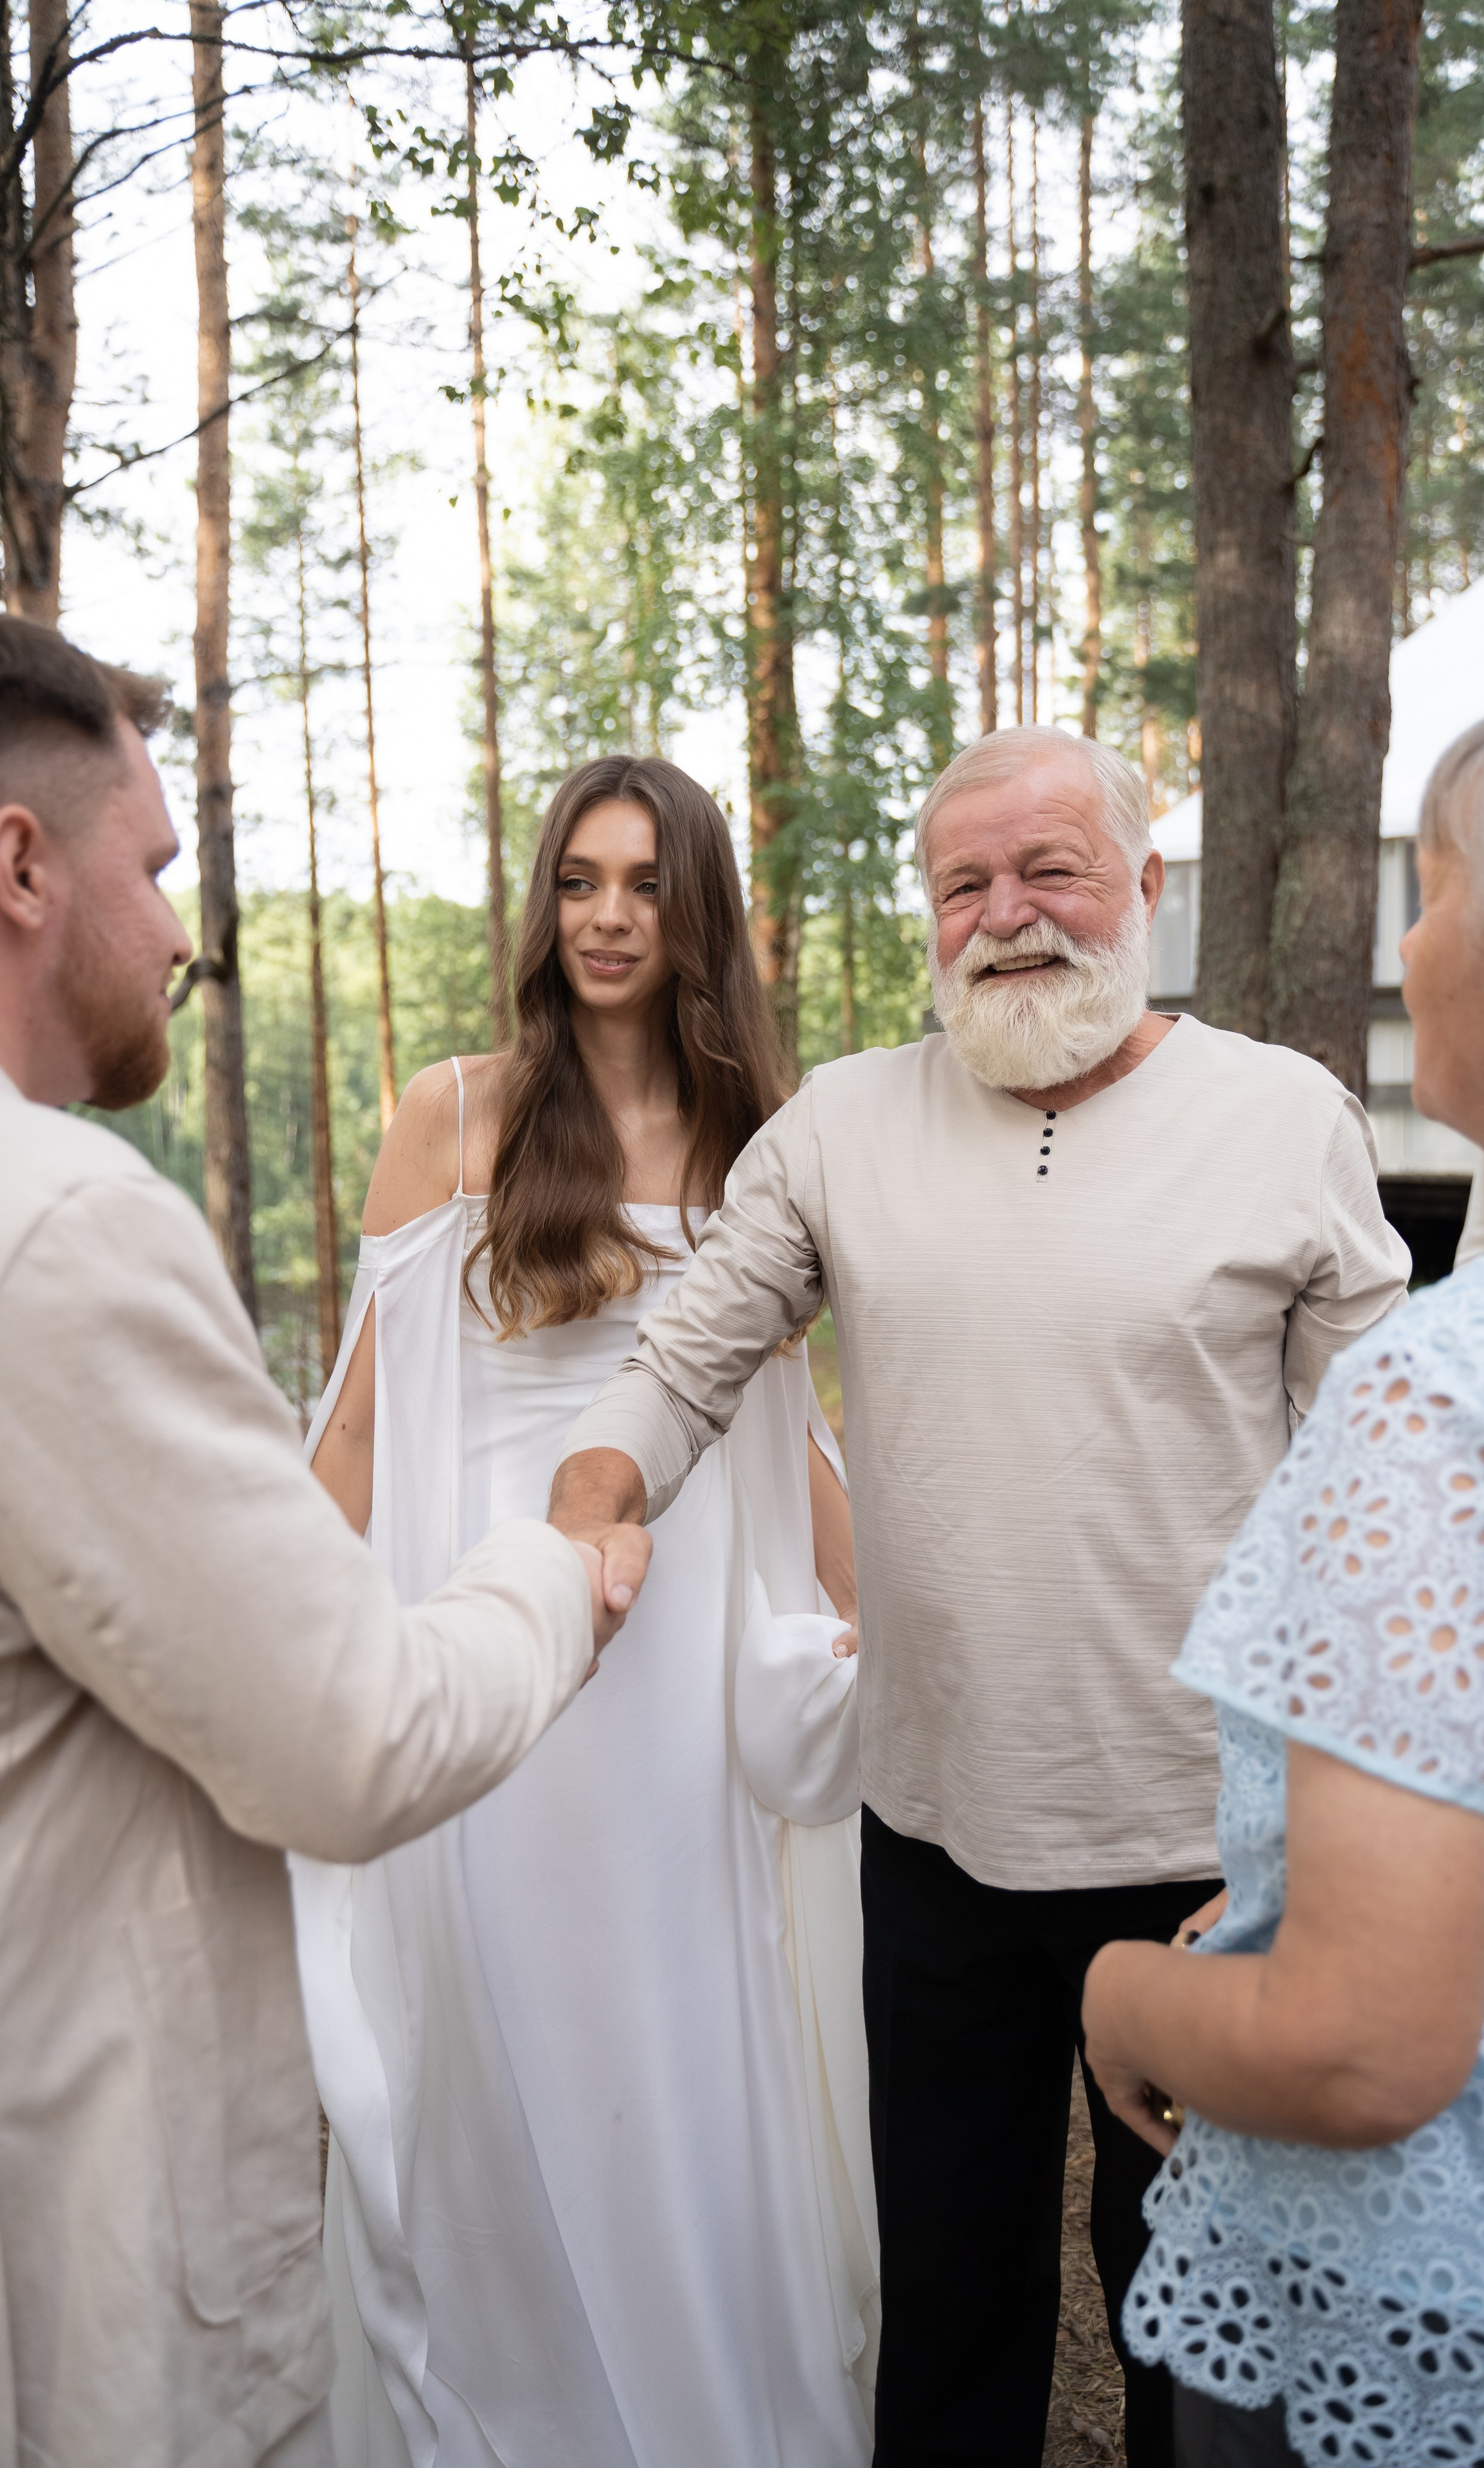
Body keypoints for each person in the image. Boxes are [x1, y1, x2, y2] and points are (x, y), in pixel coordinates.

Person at [550, 724, 1412, 2468]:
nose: (1008, 916)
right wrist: (592, 1499)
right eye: (966, 884)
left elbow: (1380, 1484)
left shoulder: (1284, 1117)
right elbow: (690, 1355)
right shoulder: (844, 1124)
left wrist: (1329, 1818)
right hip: (936, 1827)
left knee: (1202, 2328)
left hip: (1209, 1842)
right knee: (949, 2312)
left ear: (1144, 888)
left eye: (1052, 872)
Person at [0, 616, 614, 2468]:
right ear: (21, 866)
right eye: (154, 869)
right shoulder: (63, 1229)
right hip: (81, 2245)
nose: (180, 937)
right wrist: (554, 1569)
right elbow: (352, 1743)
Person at [1082, 674, 1484, 2468]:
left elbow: (1359, 2047)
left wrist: (1126, 1998)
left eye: (1440, 884)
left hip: (1455, 2334)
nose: (1411, 943)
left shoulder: (1458, 1391)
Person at [296, 754, 879, 2468]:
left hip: (682, 1668)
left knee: (688, 2033)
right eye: (578, 881)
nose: (608, 917)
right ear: (544, 904)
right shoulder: (454, 1115)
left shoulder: (764, 1141)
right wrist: (289, 1641)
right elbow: (360, 1419)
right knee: (489, 2024)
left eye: (645, 884)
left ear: (700, 911)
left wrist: (889, 1615)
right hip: (498, 1641)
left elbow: (789, 1422)